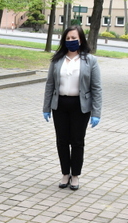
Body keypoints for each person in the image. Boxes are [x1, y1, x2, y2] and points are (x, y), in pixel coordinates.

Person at [42, 25, 102, 191]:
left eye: (74, 38)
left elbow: (96, 87)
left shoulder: (90, 60)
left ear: (80, 39)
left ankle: (75, 175)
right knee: (62, 141)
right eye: (68, 38)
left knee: (76, 141)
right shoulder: (57, 59)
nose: (71, 41)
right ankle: (65, 173)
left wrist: (96, 112)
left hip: (80, 106)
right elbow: (50, 84)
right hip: (59, 105)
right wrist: (46, 107)